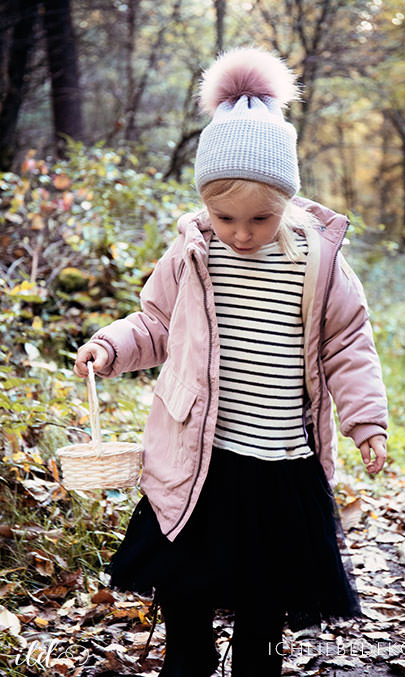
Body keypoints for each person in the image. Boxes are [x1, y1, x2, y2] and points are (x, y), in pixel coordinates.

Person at [74, 47, 388, 677]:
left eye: (260, 218)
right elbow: (156, 323)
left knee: (263, 604)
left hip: (281, 469)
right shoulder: (193, 254)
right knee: (186, 592)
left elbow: (347, 344)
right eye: (225, 218)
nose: (241, 233)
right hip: (201, 462)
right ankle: (187, 663)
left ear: (289, 203)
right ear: (204, 207)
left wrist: (367, 424)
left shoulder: (319, 264)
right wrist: (110, 346)